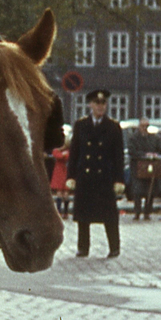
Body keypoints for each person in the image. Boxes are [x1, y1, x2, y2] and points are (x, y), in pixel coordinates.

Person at [65, 89, 126, 258]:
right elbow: (74, 153)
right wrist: (70, 176)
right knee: (83, 215)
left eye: (103, 103)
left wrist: (119, 179)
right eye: (97, 103)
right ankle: (83, 247)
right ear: (90, 105)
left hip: (104, 177)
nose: (100, 107)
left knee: (109, 215)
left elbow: (118, 156)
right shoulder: (81, 125)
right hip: (85, 176)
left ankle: (114, 247)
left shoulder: (113, 127)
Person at [128, 118, 161, 220]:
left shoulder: (154, 138)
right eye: (143, 126)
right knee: (137, 191)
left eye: (146, 126)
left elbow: (159, 150)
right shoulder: (133, 138)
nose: (144, 128)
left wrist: (155, 154)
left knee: (150, 190)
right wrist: (144, 155)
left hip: (150, 167)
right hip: (137, 167)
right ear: (139, 126)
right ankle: (137, 212)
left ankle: (147, 212)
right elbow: (132, 151)